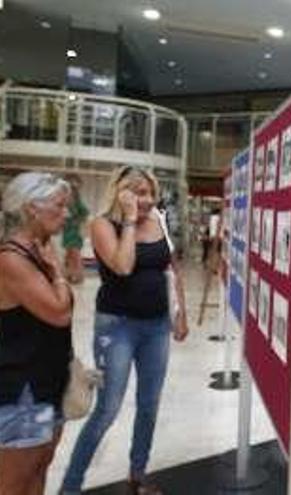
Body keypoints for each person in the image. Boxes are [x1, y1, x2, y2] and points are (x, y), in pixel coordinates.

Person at [61, 166, 188, 495]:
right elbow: (123, 265)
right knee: (107, 409)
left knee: (149, 404)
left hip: (157, 326)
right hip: (117, 327)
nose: (144, 199)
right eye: (135, 192)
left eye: (148, 192)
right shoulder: (102, 224)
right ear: (119, 192)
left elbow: (171, 268)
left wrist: (181, 312)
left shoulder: (159, 219)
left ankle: (138, 473)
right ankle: (70, 486)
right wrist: (130, 219)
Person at [0, 172, 74, 495]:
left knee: (39, 471)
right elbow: (60, 312)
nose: (67, 213)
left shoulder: (37, 252)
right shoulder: (11, 260)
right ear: (32, 208)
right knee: (15, 481)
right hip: (22, 392)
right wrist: (57, 271)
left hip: (47, 384)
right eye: (60, 206)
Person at [62, 174, 89, 284]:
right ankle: (69, 275)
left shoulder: (77, 200)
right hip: (66, 231)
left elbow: (85, 213)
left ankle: (79, 277)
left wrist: (78, 222)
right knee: (69, 255)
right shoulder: (66, 200)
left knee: (75, 255)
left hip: (74, 231)